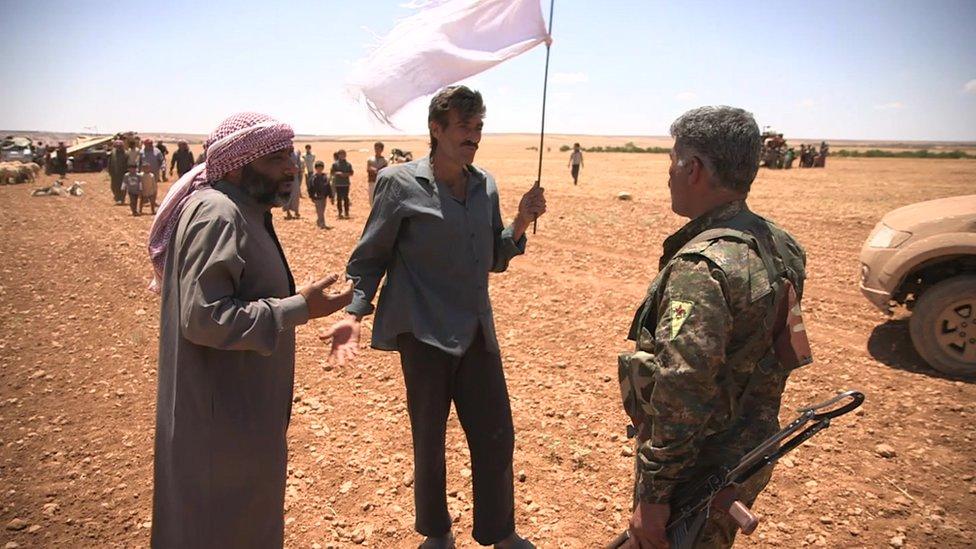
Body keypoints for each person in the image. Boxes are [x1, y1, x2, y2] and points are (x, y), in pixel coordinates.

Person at [322, 86, 546, 549]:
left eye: (479, 125)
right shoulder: (399, 183)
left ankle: (499, 532)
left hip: (475, 330)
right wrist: (355, 312)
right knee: (429, 436)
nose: (474, 135)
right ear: (436, 129)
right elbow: (370, 256)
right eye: (464, 126)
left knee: (497, 434)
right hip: (422, 331)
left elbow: (493, 256)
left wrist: (521, 222)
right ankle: (437, 532)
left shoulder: (485, 185)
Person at [146, 112, 353, 549]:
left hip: (235, 417)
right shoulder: (220, 214)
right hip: (223, 429)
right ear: (238, 164)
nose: (291, 168)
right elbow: (204, 317)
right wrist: (298, 308)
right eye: (276, 158)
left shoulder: (239, 209)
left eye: (290, 156)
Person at [618, 106, 808, 549]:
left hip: (697, 471)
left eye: (672, 160)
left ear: (694, 168)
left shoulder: (701, 267)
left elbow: (682, 386)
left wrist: (655, 495)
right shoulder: (780, 244)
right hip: (747, 452)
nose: (668, 174)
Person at [307, 160, 334, 229]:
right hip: (316, 197)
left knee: (322, 209)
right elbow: (310, 187)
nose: (319, 169)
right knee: (319, 210)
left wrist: (331, 196)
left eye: (321, 168)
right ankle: (322, 223)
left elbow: (328, 186)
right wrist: (311, 196)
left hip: (324, 196)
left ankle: (319, 220)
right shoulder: (313, 178)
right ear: (316, 168)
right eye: (318, 168)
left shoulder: (325, 177)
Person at [330, 149, 354, 219]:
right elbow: (332, 172)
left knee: (346, 198)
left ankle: (346, 212)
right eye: (341, 154)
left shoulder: (348, 164)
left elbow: (351, 173)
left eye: (343, 154)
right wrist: (338, 173)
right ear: (338, 155)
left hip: (346, 183)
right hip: (338, 183)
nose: (342, 156)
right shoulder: (335, 164)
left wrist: (346, 174)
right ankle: (340, 212)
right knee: (339, 199)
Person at [107, 139, 130, 204]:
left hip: (123, 173)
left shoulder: (126, 153)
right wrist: (109, 170)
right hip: (114, 173)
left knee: (123, 187)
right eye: (117, 146)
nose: (119, 147)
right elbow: (110, 162)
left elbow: (128, 163)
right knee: (114, 187)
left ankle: (121, 199)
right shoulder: (113, 153)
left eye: (120, 146)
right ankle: (117, 197)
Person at [283, 149, 302, 219]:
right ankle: (287, 212)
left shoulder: (296, 154)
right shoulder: (284, 154)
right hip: (286, 178)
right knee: (287, 195)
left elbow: (299, 166)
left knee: (296, 195)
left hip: (295, 177)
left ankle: (296, 211)